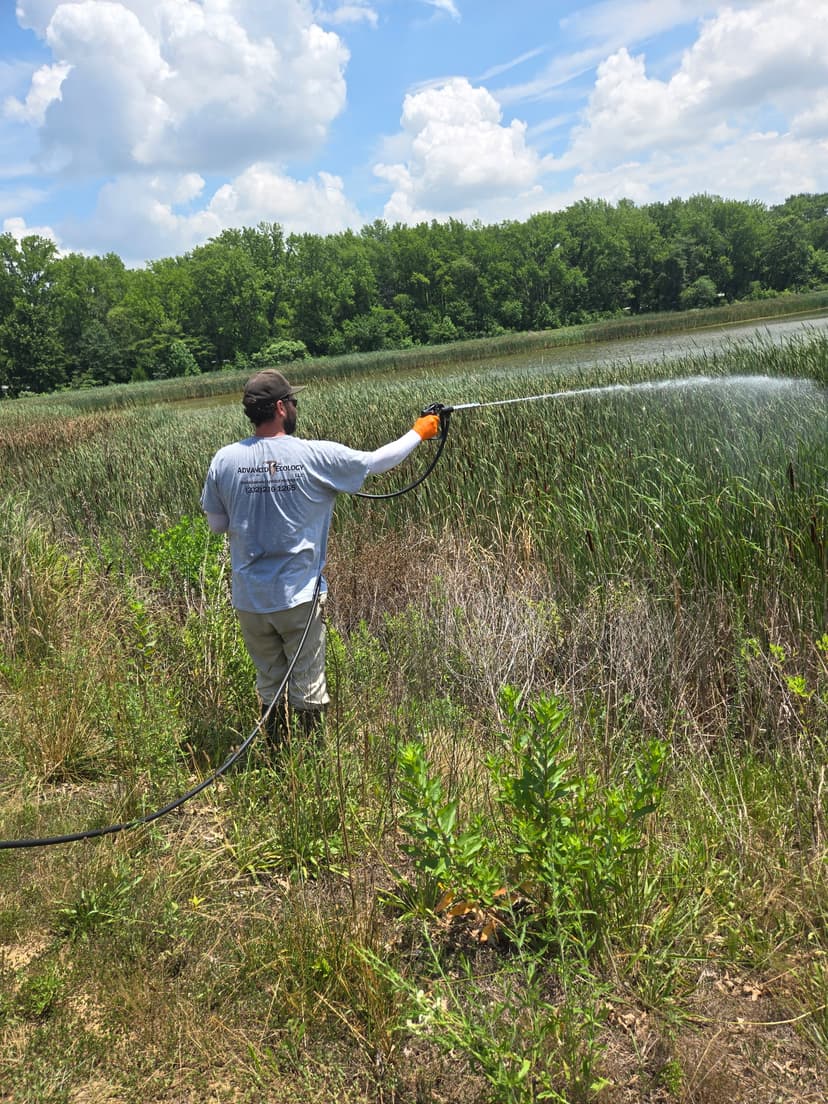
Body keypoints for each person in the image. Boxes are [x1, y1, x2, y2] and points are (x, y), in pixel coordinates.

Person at [201, 368, 440, 751]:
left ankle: (277, 757)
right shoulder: (314, 455)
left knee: (269, 683)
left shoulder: (224, 460)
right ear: (280, 408)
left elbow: (217, 525)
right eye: (293, 401)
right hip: (298, 597)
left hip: (249, 599)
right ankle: (311, 765)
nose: (296, 407)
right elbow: (376, 461)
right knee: (307, 686)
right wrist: (420, 432)